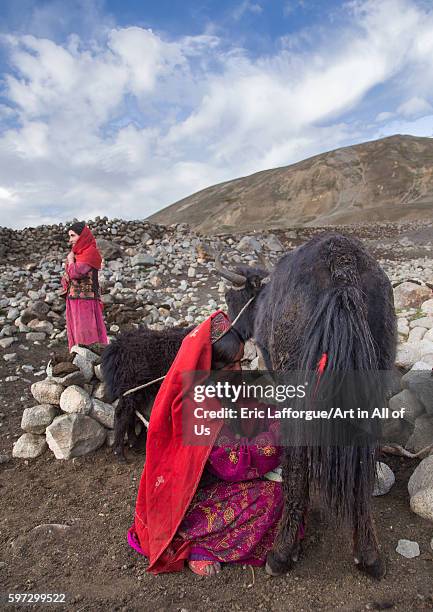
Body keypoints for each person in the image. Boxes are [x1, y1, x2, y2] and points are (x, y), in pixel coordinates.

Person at [127, 310, 300, 576]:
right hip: (187, 501)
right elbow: (236, 464)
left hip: (214, 480)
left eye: (240, 363)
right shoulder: (195, 404)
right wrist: (281, 432)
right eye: (230, 366)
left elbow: (251, 409)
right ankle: (198, 544)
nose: (238, 372)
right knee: (276, 496)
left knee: (294, 496)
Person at [61, 221, 108, 351]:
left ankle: (90, 357)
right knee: (77, 330)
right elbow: (69, 275)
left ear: (82, 236)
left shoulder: (90, 252)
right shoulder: (78, 253)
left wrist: (70, 261)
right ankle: (79, 356)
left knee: (86, 332)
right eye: (69, 236)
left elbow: (75, 273)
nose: (70, 240)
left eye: (73, 236)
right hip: (74, 299)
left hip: (85, 301)